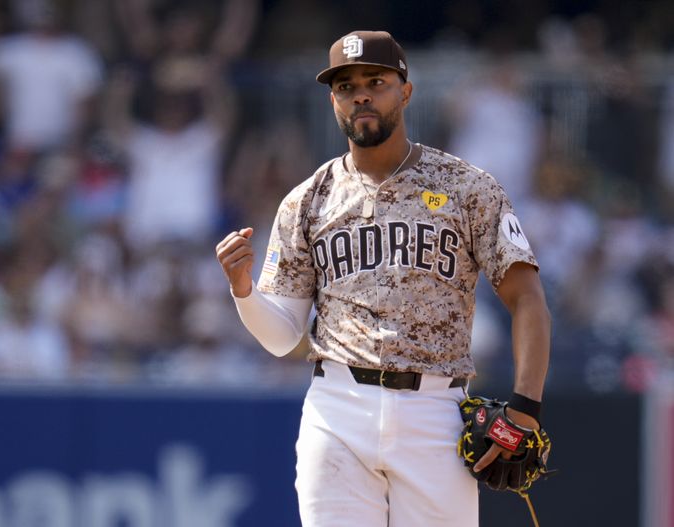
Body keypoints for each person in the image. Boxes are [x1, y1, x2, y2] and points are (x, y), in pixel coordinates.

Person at [215, 30, 550, 526]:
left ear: (405, 91)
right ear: (333, 101)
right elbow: (283, 335)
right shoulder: (307, 200)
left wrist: (524, 410)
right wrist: (243, 290)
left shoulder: (466, 187)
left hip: (435, 411)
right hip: (338, 407)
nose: (362, 95)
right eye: (346, 87)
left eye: (376, 81)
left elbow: (527, 299)